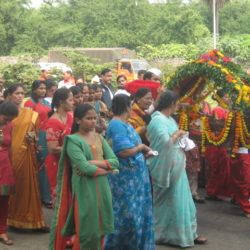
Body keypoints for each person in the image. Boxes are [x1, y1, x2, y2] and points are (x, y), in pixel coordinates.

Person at [49, 104, 119, 250]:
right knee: (87, 233)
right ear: (78, 120)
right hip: (84, 190)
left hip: (103, 190)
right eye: (89, 118)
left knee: (101, 231)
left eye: (95, 118)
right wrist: (108, 170)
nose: (93, 121)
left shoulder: (99, 138)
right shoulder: (73, 141)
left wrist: (94, 162)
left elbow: (115, 161)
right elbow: (85, 168)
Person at [147, 90, 207, 247]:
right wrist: (178, 133)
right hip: (166, 167)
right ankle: (167, 235)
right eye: (176, 104)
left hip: (177, 165)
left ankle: (187, 234)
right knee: (169, 202)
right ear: (172, 104)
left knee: (182, 201)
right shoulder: (157, 120)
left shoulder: (168, 119)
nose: (177, 107)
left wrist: (180, 136)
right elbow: (164, 143)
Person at [105, 94, 155, 250]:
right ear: (127, 106)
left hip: (136, 178)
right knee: (127, 215)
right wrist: (141, 148)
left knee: (137, 213)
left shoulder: (124, 124)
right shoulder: (117, 125)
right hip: (125, 180)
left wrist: (141, 153)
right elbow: (124, 151)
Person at [7, 84, 48, 231]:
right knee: (12, 188)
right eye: (17, 93)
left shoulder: (30, 114)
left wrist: (32, 138)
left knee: (29, 187)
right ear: (9, 95)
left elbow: (35, 135)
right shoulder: (4, 113)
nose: (19, 96)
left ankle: (33, 220)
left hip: (26, 155)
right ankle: (12, 219)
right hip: (9, 155)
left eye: (22, 93)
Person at [24, 80, 52, 208]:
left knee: (47, 165)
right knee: (38, 164)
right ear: (34, 89)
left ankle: (47, 195)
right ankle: (40, 196)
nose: (43, 91)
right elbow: (27, 123)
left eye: (44, 88)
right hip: (37, 135)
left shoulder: (46, 102)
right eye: (40, 88)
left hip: (47, 135)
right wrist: (33, 141)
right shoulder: (30, 103)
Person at [45, 88, 74, 205]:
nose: (73, 102)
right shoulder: (53, 122)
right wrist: (75, 149)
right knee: (60, 198)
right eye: (71, 100)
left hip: (70, 161)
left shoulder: (70, 116)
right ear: (62, 102)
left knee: (71, 196)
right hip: (57, 164)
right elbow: (52, 149)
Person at [205, 89, 232, 200]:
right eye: (226, 96)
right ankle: (212, 192)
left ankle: (219, 192)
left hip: (226, 143)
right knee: (218, 168)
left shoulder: (228, 110)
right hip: (219, 143)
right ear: (219, 98)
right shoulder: (218, 110)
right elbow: (218, 127)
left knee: (225, 169)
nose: (229, 98)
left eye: (229, 96)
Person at [0, 101, 19, 245]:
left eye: (10, 120)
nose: (8, 122)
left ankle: (2, 231)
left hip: (4, 166)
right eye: (6, 118)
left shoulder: (10, 126)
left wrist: (11, 166)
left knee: (4, 200)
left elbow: (11, 147)